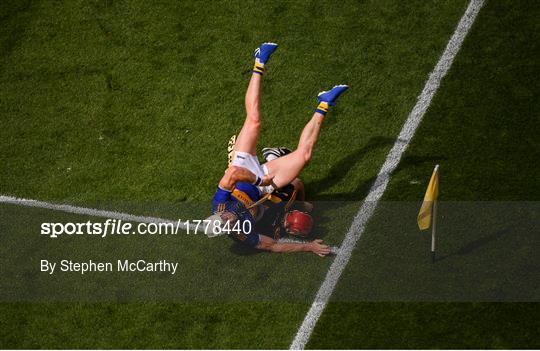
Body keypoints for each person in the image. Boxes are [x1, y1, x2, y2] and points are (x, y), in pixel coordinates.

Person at [209, 42, 348, 257]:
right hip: (263, 187)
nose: (227, 219)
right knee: (304, 156)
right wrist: (308, 247)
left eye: (223, 218)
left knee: (254, 120)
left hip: (244, 171)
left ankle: (259, 61)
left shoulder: (220, 203)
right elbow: (273, 246)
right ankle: (324, 103)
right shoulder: (243, 234)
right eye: (226, 224)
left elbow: (233, 173)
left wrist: (257, 180)